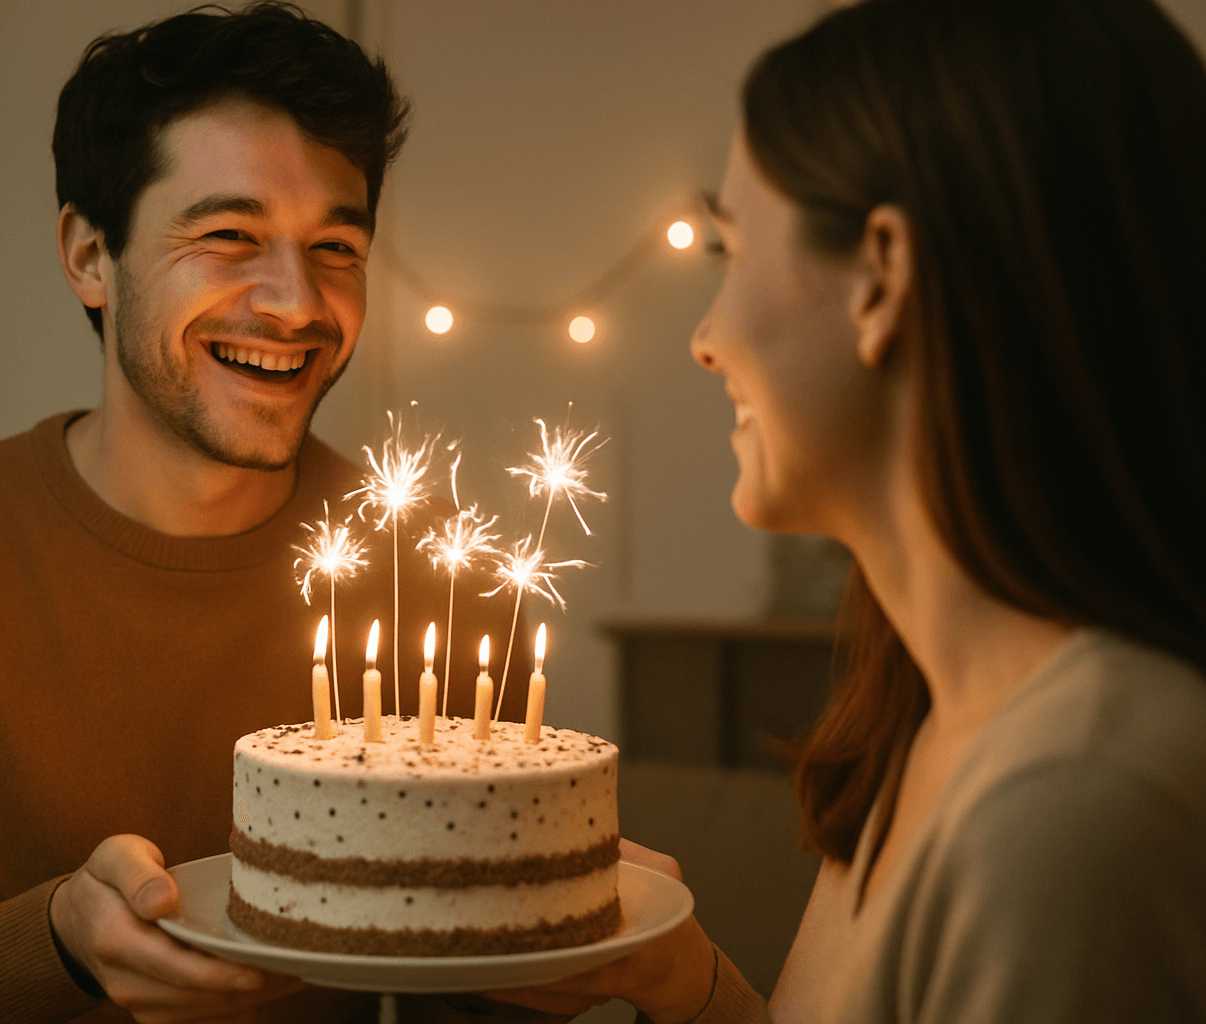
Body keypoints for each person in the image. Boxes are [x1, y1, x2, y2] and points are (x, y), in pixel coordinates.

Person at [0, 5, 535, 1023]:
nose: (296, 303)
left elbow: (469, 989)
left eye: (336, 246)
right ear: (88, 255)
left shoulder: (434, 574)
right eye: (229, 236)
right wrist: (58, 942)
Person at [487, 0, 1206, 1021]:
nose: (705, 336)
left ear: (881, 276)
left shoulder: (1073, 804)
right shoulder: (926, 715)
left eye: (730, 252)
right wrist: (677, 974)